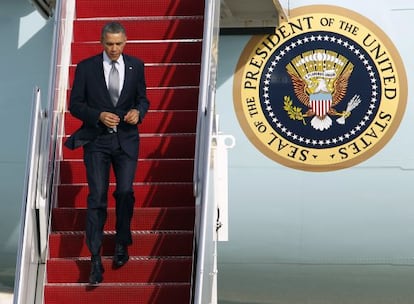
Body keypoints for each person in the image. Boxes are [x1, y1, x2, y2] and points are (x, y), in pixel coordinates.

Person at [65, 21, 150, 284]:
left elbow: (142, 99)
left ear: (125, 42)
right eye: (110, 44)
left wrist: (139, 112)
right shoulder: (87, 68)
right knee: (97, 199)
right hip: (97, 142)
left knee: (125, 192)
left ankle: (122, 240)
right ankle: (95, 260)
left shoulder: (136, 66)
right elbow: (75, 105)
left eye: (119, 44)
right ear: (102, 43)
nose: (114, 49)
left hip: (126, 141)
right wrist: (98, 115)